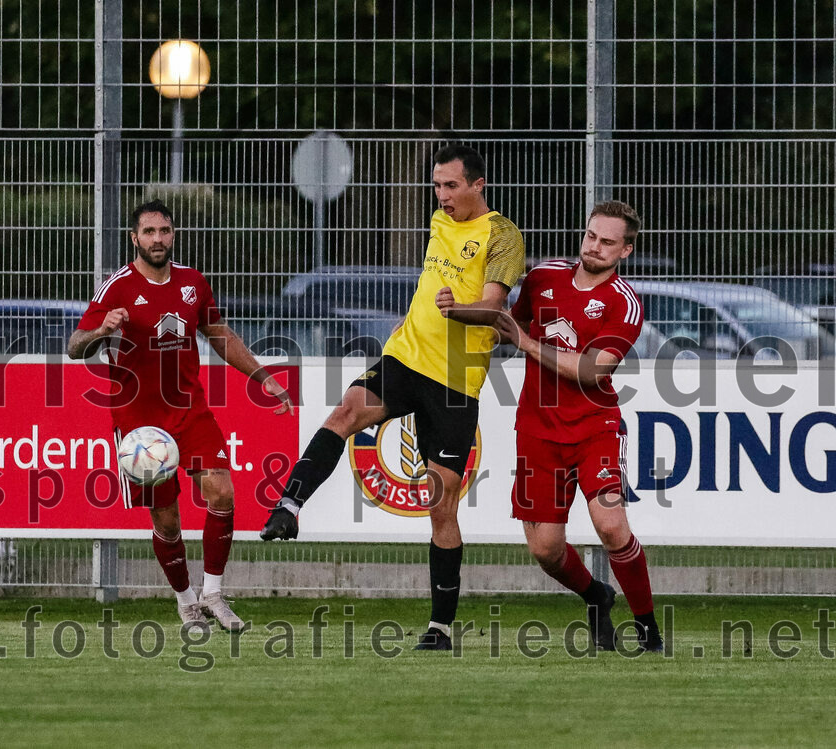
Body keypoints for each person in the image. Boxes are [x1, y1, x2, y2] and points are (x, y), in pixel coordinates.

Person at [261, 144, 526, 651]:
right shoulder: (438, 220)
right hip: (405, 357)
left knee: (438, 504)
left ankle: (441, 628)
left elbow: (493, 309)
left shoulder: (502, 234)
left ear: (478, 185)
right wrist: (416, 318)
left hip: (454, 381)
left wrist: (458, 308)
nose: (442, 195)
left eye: (451, 186)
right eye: (436, 185)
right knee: (345, 412)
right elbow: (431, 285)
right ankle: (288, 506)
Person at [68, 199, 292, 631]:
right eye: (149, 232)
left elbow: (219, 335)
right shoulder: (116, 286)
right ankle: (186, 602)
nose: (157, 239)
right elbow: (75, 346)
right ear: (134, 238)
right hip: (139, 423)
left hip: (190, 409)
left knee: (222, 493)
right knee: (167, 517)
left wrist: (262, 376)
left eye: (164, 231)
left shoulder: (192, 282)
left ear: (173, 235)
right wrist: (101, 330)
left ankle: (214, 594)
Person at [493, 200, 663, 653]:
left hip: (595, 426)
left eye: (608, 242)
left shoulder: (623, 303)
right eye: (591, 236)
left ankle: (647, 630)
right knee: (546, 550)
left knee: (611, 525)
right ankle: (596, 595)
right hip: (536, 428)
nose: (595, 247)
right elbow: (506, 324)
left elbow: (592, 371)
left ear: (626, 250)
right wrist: (461, 306)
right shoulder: (543, 276)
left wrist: (527, 343)